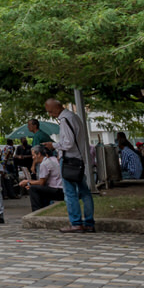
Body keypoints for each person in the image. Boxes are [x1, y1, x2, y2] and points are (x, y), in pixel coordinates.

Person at [44, 97, 94, 233]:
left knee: (70, 193)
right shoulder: (74, 117)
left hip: (69, 160)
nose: (50, 115)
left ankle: (76, 223)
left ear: (56, 108)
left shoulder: (65, 120)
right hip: (78, 159)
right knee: (84, 192)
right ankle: (89, 222)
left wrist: (53, 145)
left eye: (50, 112)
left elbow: (68, 143)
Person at [21, 145, 64, 212]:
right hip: (59, 188)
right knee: (36, 188)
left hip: (58, 190)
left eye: (33, 155)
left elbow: (41, 182)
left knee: (33, 189)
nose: (33, 158)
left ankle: (36, 211)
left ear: (39, 154)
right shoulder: (52, 160)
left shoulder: (44, 164)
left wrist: (27, 181)